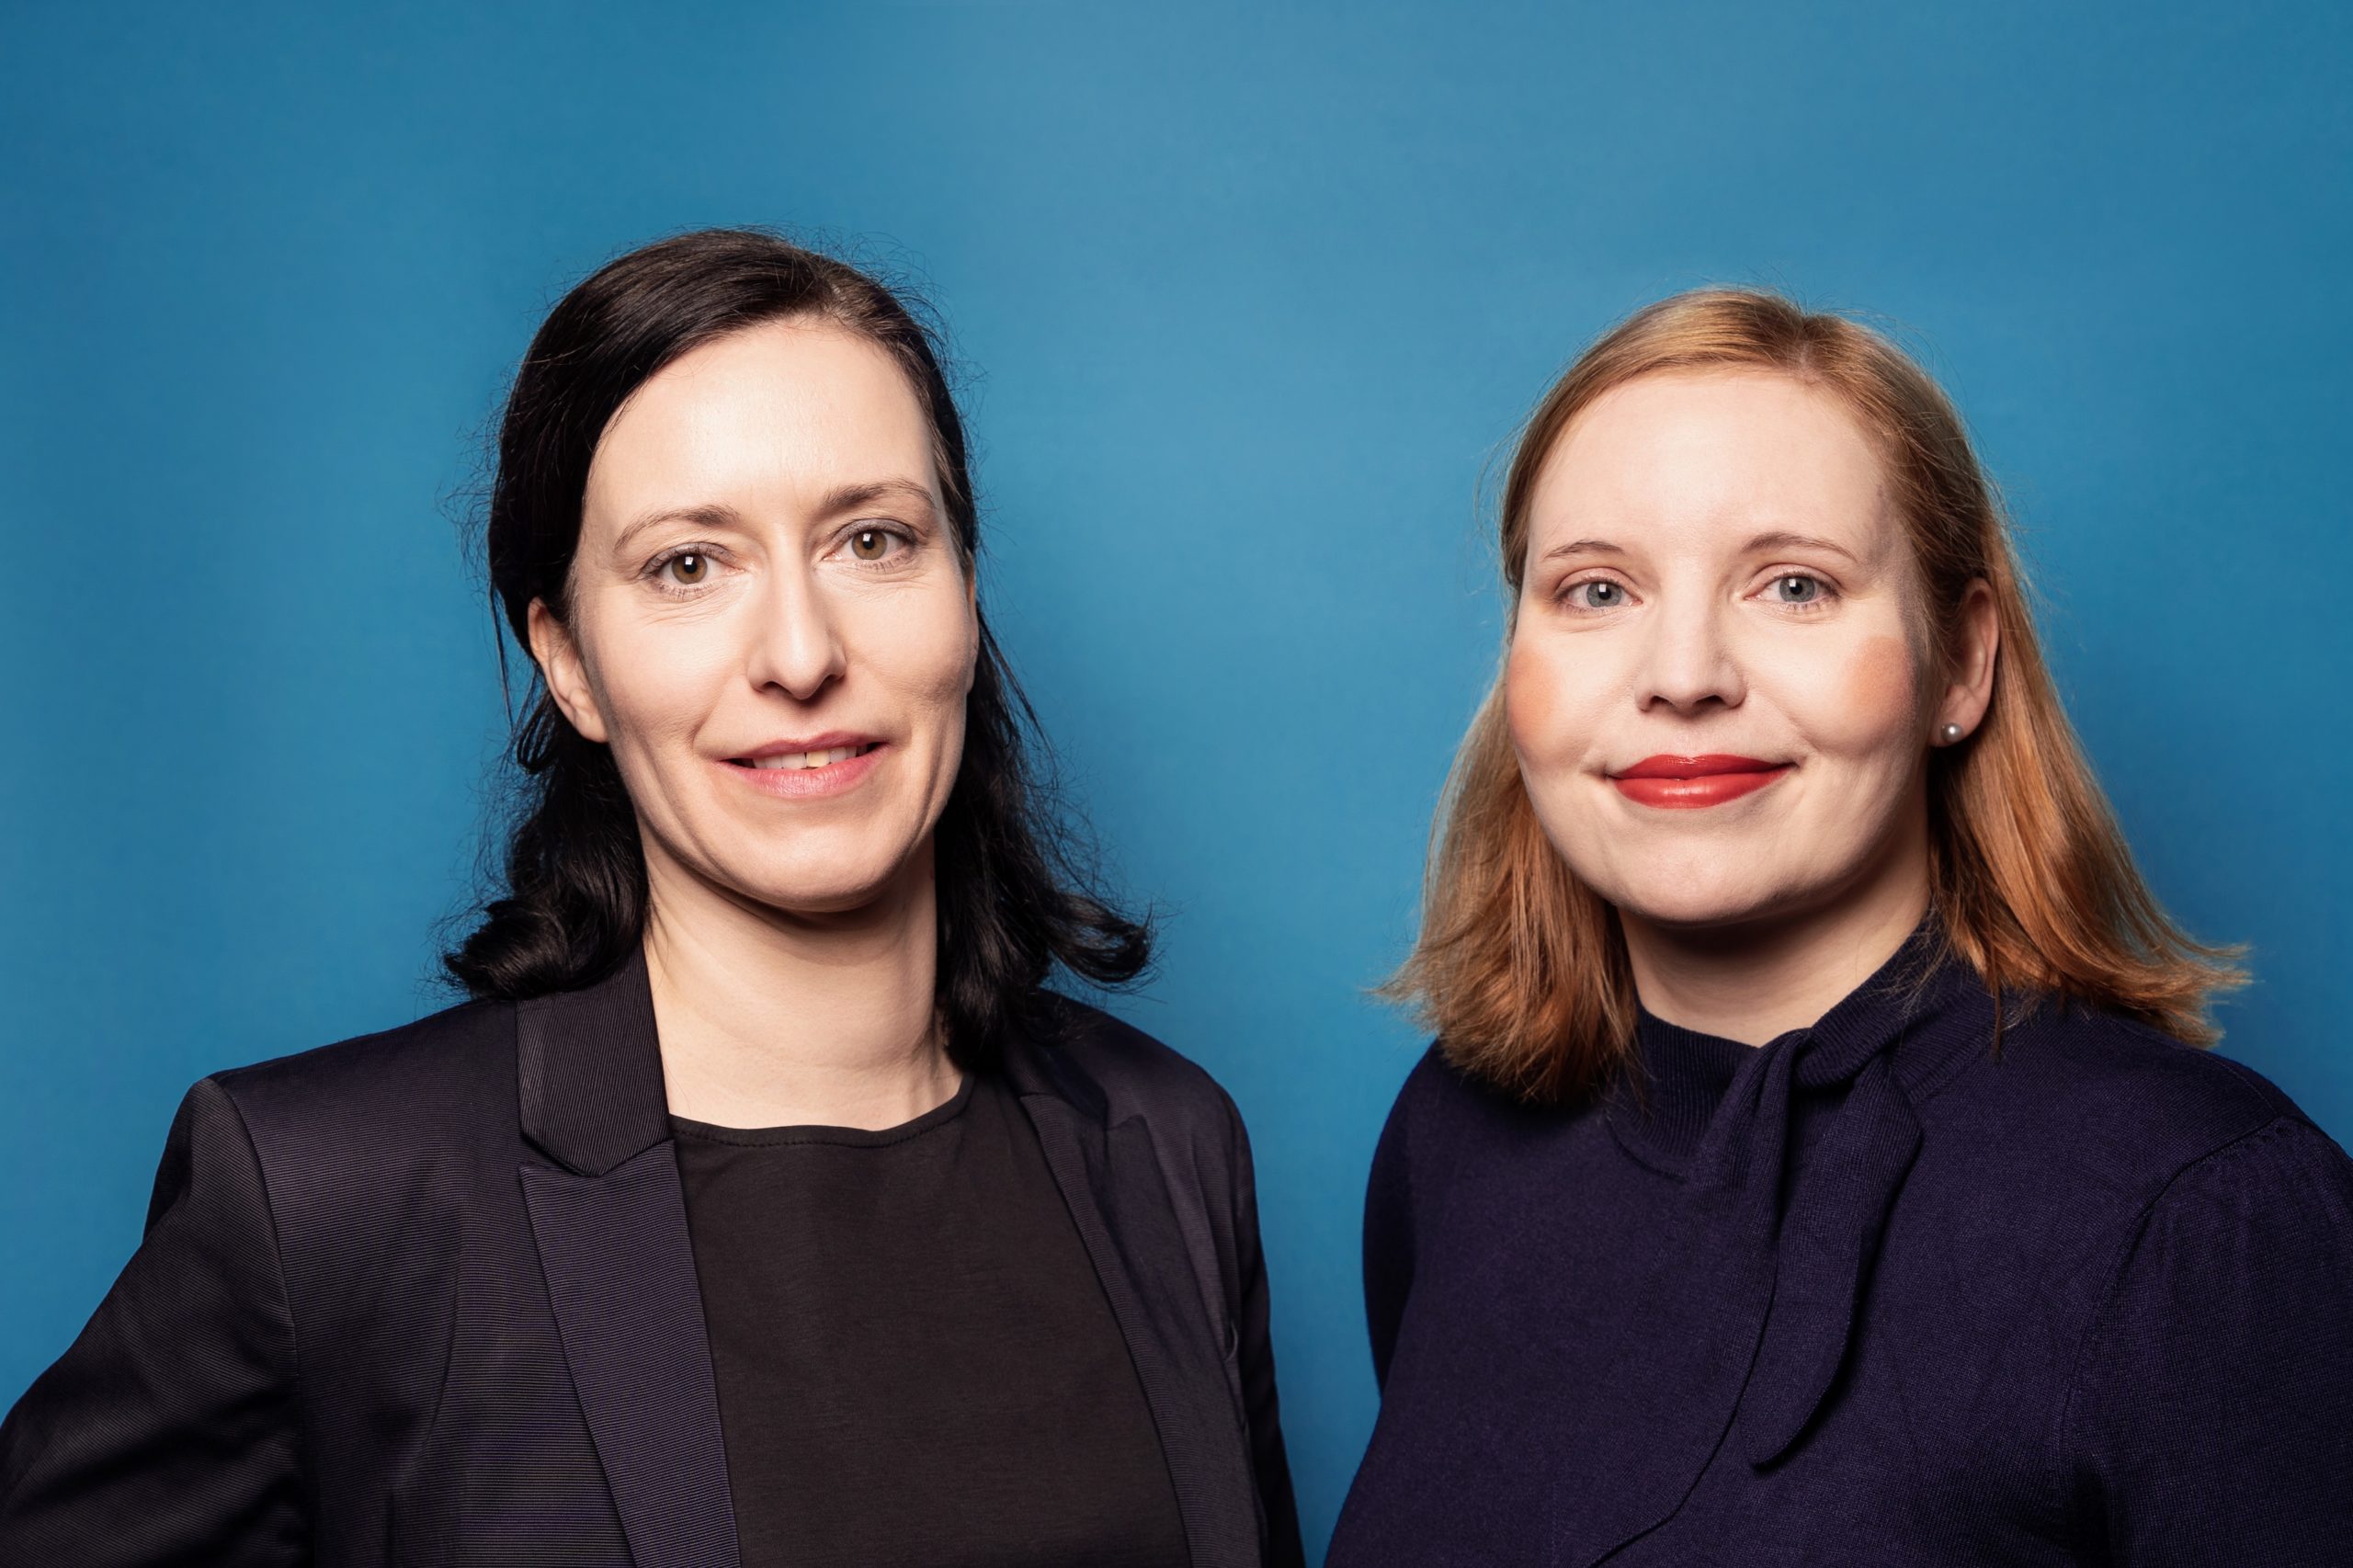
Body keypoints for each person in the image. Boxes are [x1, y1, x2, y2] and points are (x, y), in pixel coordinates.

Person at [0, 228, 1302, 1568]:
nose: (800, 653)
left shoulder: (1169, 1142)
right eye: (688, 564)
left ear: (964, 593)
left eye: (872, 539)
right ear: (568, 660)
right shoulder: (323, 1191)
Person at [1327, 289, 2353, 1566]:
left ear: (1961, 661)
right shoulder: (1454, 1133)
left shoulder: (2209, 1217)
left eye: (1795, 584)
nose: (1684, 674)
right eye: (1596, 589)